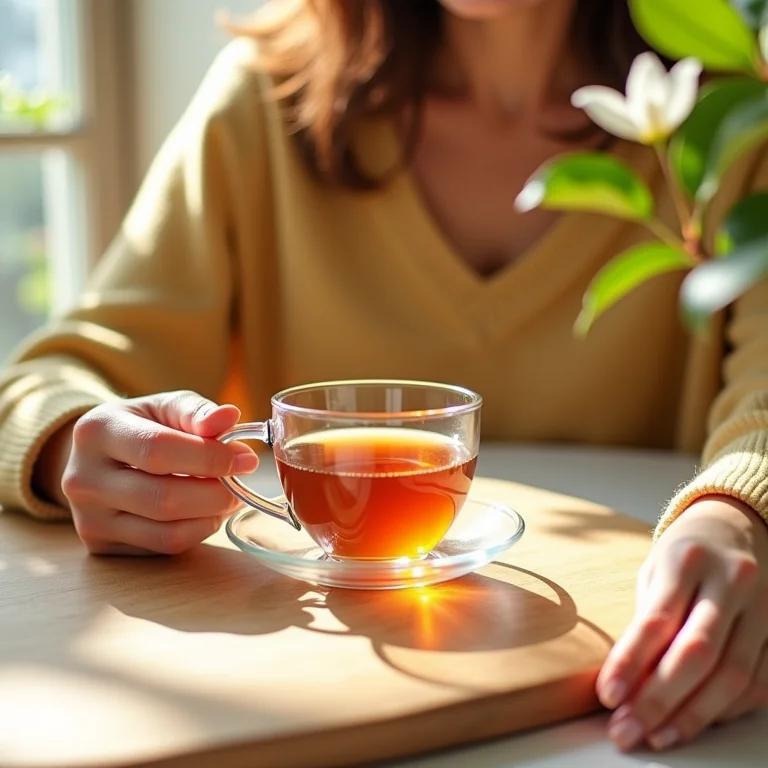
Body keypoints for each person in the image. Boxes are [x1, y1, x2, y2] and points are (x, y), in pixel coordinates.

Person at [1, 0, 767, 754]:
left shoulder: (736, 116)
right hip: (309, 694)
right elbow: (57, 375)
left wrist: (740, 515)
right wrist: (75, 440)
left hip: (618, 711)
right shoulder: (266, 100)